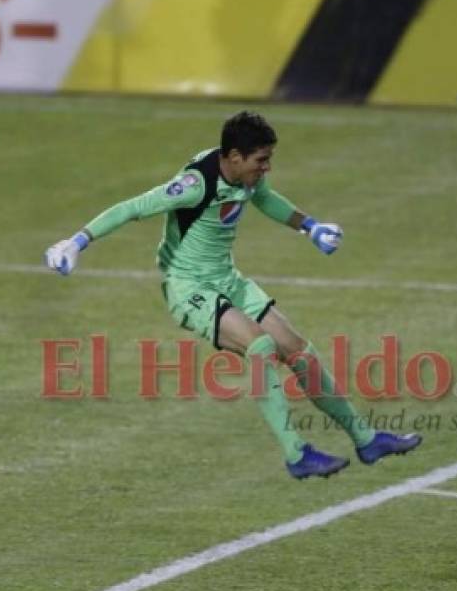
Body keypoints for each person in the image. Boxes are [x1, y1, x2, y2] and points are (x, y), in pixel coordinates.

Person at [45, 111, 421, 479]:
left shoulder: (244, 177)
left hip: (228, 279)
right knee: (260, 348)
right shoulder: (196, 183)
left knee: (298, 351)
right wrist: (77, 242)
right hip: (189, 287)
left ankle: (366, 439)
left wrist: (310, 227)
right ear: (236, 157)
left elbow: (266, 198)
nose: (266, 168)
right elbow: (133, 208)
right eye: (261, 160)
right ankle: (297, 454)